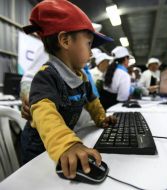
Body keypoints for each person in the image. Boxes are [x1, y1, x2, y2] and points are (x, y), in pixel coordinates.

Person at [20, 0, 116, 180]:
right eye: (89, 43)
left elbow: (92, 102)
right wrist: (68, 144)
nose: (92, 52)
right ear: (65, 40)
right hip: (38, 148)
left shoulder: (81, 77)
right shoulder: (47, 76)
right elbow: (44, 113)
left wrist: (101, 118)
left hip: (63, 142)